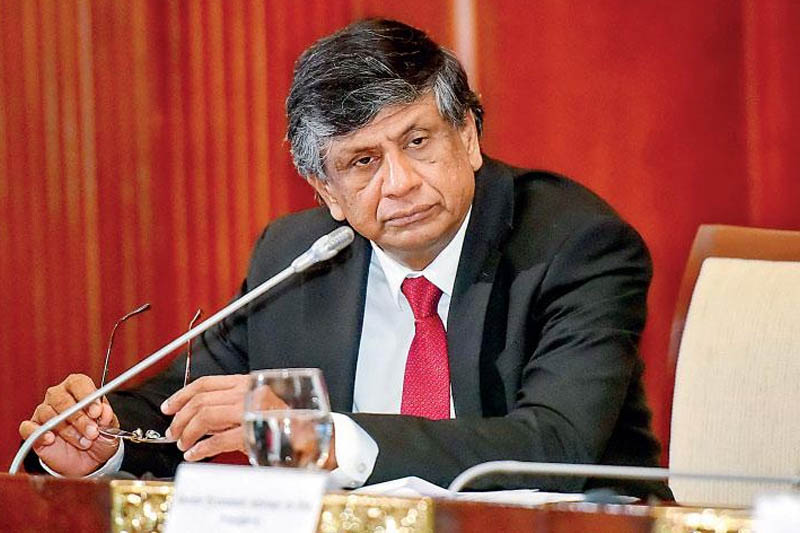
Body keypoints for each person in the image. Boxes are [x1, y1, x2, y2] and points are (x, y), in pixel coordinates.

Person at [19, 18, 670, 499]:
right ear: (327, 191)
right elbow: (187, 406)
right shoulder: (296, 258)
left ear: (469, 135)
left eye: (418, 141)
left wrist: (322, 439)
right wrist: (102, 443)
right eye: (363, 162)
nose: (400, 183)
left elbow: (555, 446)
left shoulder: (573, 245)